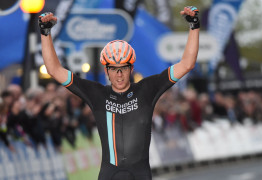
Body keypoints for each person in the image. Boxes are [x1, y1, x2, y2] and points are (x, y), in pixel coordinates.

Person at [39, 6, 200, 180]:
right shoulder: (97, 93)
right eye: (113, 69)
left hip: (140, 174)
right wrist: (45, 34)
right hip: (110, 174)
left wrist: (194, 27)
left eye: (123, 68)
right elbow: (54, 69)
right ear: (106, 70)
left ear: (131, 68)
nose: (119, 74)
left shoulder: (147, 89)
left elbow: (187, 64)